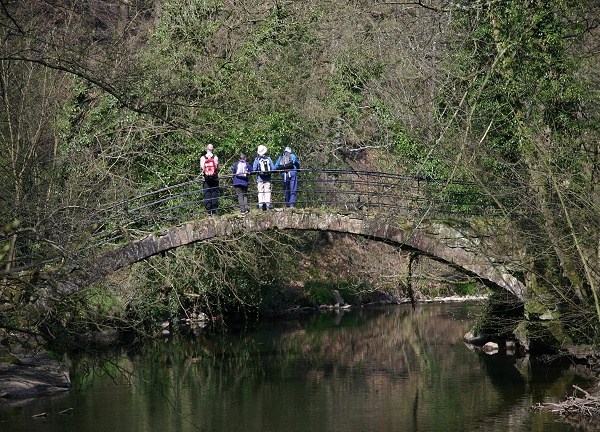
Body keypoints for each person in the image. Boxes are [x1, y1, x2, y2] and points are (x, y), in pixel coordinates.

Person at [252, 145, 275, 211]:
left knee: (260, 192)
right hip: (268, 178)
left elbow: (254, 169)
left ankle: (260, 206)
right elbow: (273, 168)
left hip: (260, 178)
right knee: (267, 191)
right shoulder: (268, 158)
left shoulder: (257, 159)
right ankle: (268, 206)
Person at [200, 144, 219, 216]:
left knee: (207, 194)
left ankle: (208, 212)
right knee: (214, 194)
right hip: (214, 178)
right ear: (212, 149)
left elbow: (202, 168)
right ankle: (214, 212)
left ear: (206, 149)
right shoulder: (215, 157)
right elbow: (216, 167)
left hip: (206, 179)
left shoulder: (202, 158)